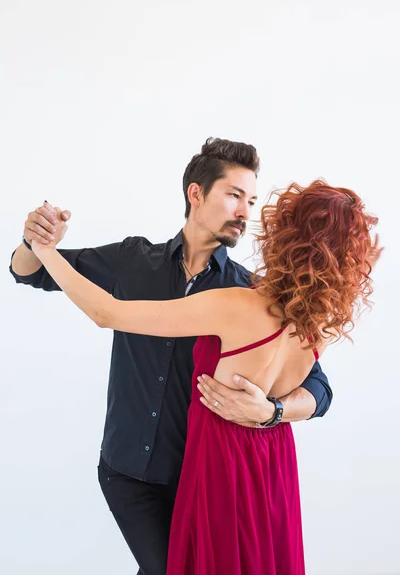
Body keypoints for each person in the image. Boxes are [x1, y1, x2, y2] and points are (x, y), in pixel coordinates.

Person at [10, 138, 333, 575]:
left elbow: (318, 385)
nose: (245, 211)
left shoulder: (249, 293)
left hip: (202, 481)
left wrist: (272, 410)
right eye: (234, 195)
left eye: (252, 200)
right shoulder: (132, 260)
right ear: (195, 194)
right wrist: (36, 240)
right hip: (127, 472)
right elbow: (28, 273)